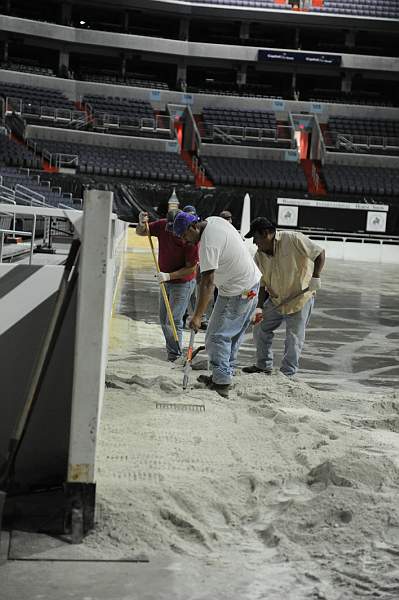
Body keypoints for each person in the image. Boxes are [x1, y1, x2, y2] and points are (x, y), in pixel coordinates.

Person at [173, 212, 261, 398]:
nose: (185, 241)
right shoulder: (214, 220)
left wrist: (197, 316)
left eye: (184, 235)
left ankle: (221, 382)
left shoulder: (208, 244)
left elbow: (207, 282)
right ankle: (224, 374)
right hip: (251, 285)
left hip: (237, 291)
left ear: (192, 227)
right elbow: (204, 277)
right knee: (232, 335)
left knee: (215, 336)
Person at [242, 217, 325, 378]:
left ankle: (287, 373)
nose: (254, 243)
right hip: (276, 301)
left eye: (256, 238)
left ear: (266, 234)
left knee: (294, 338)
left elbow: (319, 253)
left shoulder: (293, 239)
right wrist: (259, 307)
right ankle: (263, 365)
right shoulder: (259, 255)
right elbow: (261, 284)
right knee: (260, 327)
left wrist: (316, 277)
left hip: (300, 300)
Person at [136, 209, 198, 362]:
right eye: (169, 228)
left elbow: (191, 268)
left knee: (174, 319)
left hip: (183, 283)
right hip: (165, 281)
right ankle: (173, 354)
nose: (172, 232)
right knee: (164, 318)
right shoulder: (163, 225)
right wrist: (141, 223)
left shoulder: (190, 240)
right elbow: (142, 232)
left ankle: (176, 355)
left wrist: (169, 275)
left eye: (175, 230)